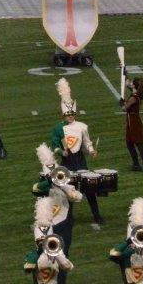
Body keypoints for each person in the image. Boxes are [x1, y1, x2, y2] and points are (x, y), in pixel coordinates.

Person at [51, 78, 103, 224]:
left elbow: (87, 142)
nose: (70, 116)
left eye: (72, 114)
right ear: (64, 114)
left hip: (80, 160)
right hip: (66, 161)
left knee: (89, 188)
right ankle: (69, 217)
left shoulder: (82, 126)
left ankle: (96, 215)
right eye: (68, 114)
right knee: (68, 189)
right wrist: (62, 152)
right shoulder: (57, 129)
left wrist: (91, 151)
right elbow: (54, 146)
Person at [24, 197, 73, 284]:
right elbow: (28, 267)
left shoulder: (55, 253)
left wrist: (58, 255)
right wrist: (40, 252)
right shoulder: (34, 255)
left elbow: (68, 266)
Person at [32, 143, 82, 256]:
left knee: (64, 251)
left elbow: (78, 197)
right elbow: (35, 189)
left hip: (64, 222)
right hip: (48, 223)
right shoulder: (45, 187)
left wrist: (68, 191)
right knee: (46, 252)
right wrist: (50, 181)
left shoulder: (66, 187)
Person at [120, 77, 143, 173]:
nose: (130, 83)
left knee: (139, 144)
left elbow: (124, 108)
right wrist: (125, 75)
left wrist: (122, 104)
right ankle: (136, 164)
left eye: (132, 82)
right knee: (130, 143)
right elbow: (128, 85)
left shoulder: (133, 98)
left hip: (134, 122)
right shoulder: (136, 94)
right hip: (131, 121)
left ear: (134, 86)